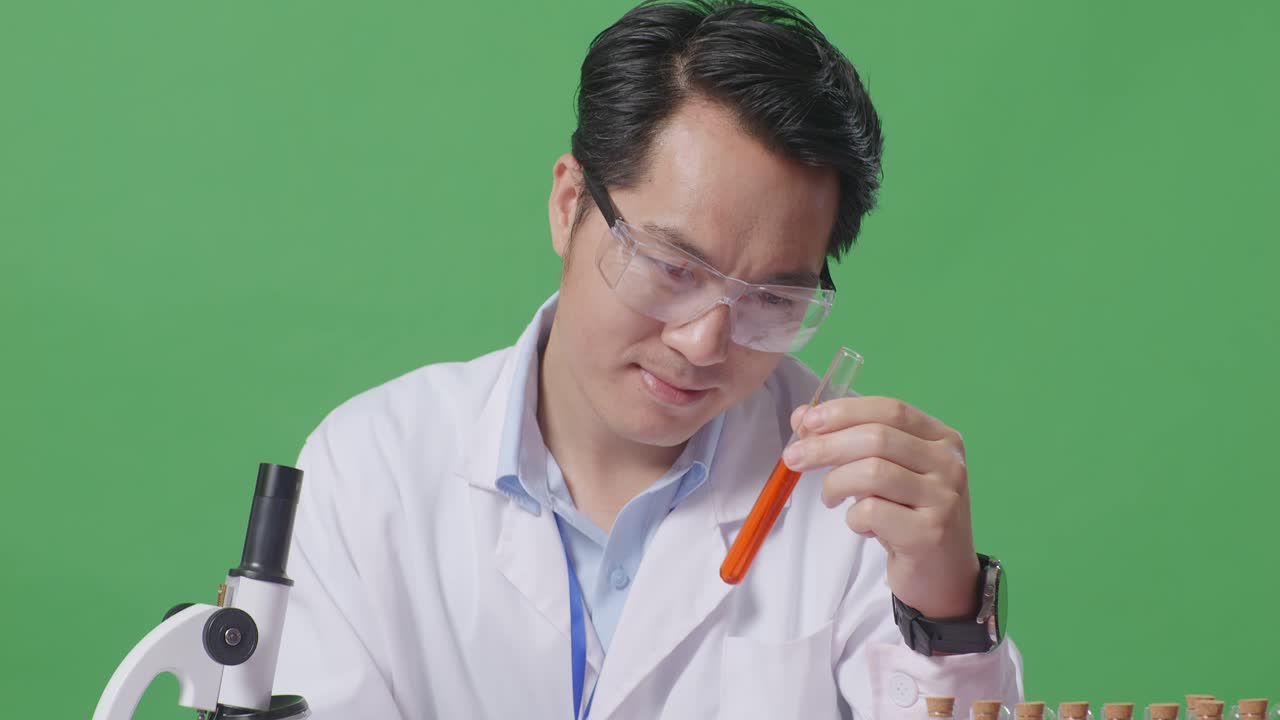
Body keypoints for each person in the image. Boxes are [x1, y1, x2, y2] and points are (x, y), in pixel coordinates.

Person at [273, 1, 1024, 718]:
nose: (704, 342)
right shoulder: (371, 468)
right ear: (570, 206)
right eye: (670, 264)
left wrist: (946, 612)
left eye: (771, 298)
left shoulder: (855, 502)